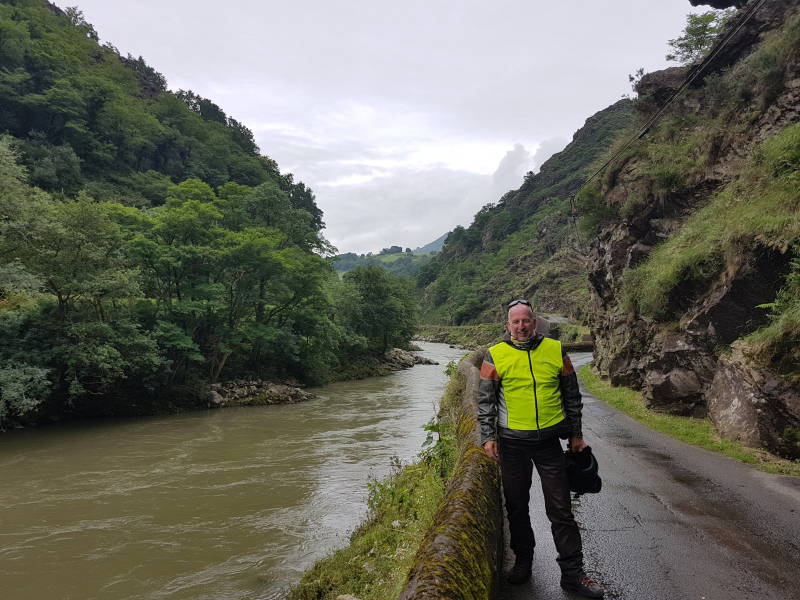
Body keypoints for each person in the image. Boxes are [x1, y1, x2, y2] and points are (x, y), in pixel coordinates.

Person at [477, 299, 604, 599]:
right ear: (508, 325)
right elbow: (486, 402)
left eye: (526, 321)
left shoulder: (556, 350)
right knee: (517, 506)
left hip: (549, 443)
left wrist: (576, 434)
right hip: (512, 444)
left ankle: (573, 574)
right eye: (516, 322)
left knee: (561, 509)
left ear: (534, 322)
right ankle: (524, 561)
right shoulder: (494, 355)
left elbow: (571, 395)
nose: (521, 326)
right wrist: (487, 437)